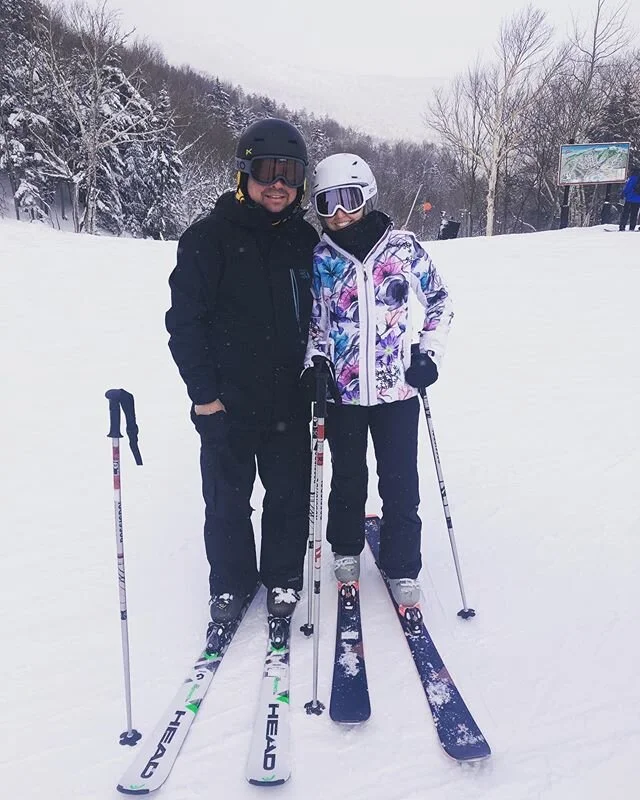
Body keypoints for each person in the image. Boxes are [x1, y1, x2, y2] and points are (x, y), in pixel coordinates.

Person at [166, 118, 319, 624]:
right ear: (244, 173)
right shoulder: (207, 238)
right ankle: (230, 583)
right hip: (227, 400)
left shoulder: (304, 240)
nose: (278, 183)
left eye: (290, 173)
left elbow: (327, 313)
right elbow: (183, 322)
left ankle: (283, 577)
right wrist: (204, 396)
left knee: (288, 495)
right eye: (267, 170)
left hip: (290, 399)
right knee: (227, 500)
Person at [301, 153, 453, 608]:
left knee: (400, 480)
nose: (338, 213)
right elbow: (315, 322)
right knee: (348, 476)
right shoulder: (323, 259)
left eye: (347, 199)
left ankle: (403, 564)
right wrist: (317, 361)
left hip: (397, 390)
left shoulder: (403, 248)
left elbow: (441, 300)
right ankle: (346, 547)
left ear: (366, 196)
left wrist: (429, 353)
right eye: (326, 204)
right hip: (345, 394)